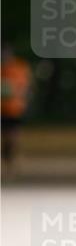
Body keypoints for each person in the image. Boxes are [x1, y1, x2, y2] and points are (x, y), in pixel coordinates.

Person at [1, 43, 33, 176]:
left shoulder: (19, 67)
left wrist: (20, 97)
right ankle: (5, 165)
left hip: (14, 110)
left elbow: (26, 88)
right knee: (4, 139)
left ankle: (14, 165)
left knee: (13, 138)